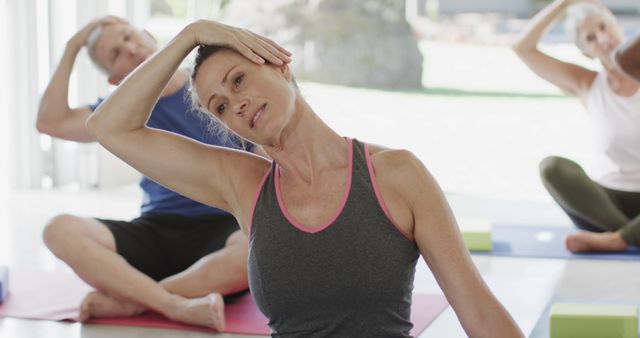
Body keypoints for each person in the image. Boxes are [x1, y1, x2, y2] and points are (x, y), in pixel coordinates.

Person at [85, 19, 524, 337]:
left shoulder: (396, 174)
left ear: (279, 65)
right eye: (219, 106)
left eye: (239, 80)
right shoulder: (243, 184)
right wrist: (189, 36)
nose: (235, 104)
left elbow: (479, 312)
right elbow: (110, 128)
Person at [37, 16, 290, 329]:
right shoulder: (117, 112)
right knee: (58, 230)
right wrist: (72, 46)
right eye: (115, 54)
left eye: (129, 37)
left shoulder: (212, 92)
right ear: (115, 80)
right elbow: (50, 122)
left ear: (148, 36)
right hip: (157, 229)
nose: (129, 49)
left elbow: (267, 160)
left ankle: (130, 301)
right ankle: (173, 304)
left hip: (224, 227)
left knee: (260, 246)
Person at [512, 0, 640, 253]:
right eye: (591, 38)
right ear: (586, 52)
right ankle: (627, 234)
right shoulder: (586, 84)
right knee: (551, 167)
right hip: (606, 204)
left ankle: (618, 240)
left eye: (604, 27)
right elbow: (522, 48)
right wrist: (565, 2)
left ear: (617, 24)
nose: (603, 39)